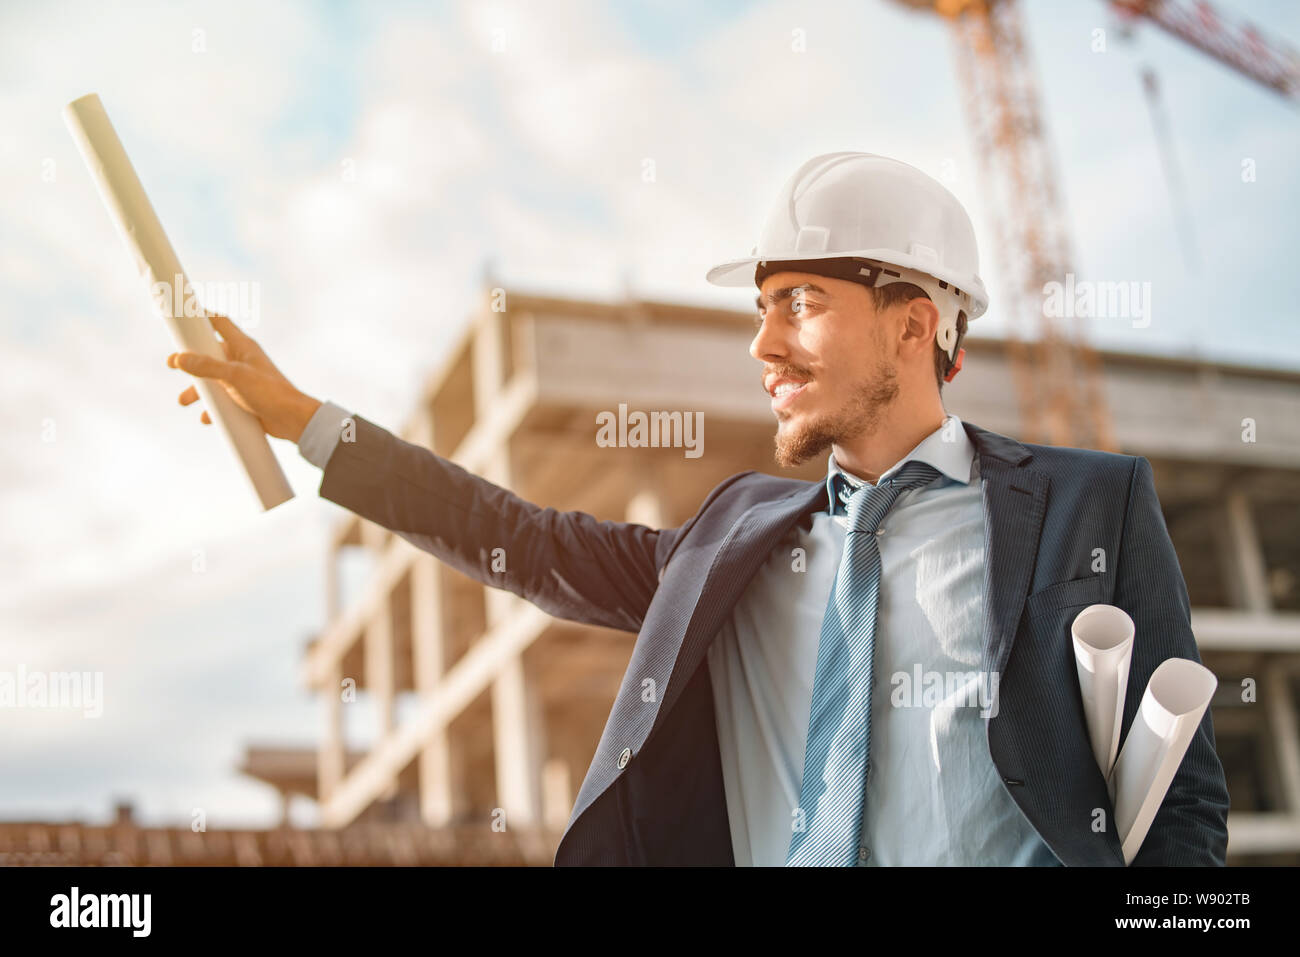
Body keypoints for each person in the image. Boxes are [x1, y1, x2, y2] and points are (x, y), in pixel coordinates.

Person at [167, 152, 1229, 866]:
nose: (764, 347)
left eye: (801, 305)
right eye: (762, 310)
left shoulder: (1092, 505)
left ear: (915, 326)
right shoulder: (742, 542)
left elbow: (1179, 803)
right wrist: (307, 419)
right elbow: (524, 541)